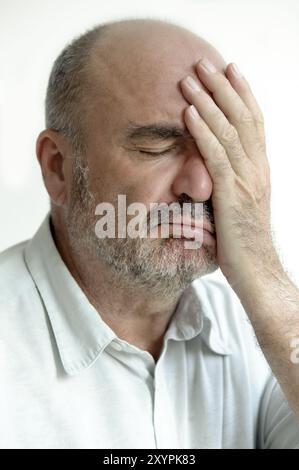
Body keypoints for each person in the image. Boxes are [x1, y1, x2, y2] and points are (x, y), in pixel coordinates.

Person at [0, 17, 298, 449]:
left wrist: (264, 272)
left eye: (222, 154)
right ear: (57, 167)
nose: (200, 186)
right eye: (156, 148)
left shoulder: (263, 339)